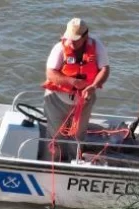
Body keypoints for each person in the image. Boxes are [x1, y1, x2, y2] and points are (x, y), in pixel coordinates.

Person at [41, 18, 110, 161]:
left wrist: (93, 86)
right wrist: (71, 81)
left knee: (78, 135)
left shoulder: (97, 47)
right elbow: (50, 73)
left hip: (83, 101)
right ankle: (51, 163)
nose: (71, 42)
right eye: (69, 38)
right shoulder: (59, 48)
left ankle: (73, 163)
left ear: (85, 36)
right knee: (55, 136)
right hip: (57, 100)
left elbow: (105, 69)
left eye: (76, 39)